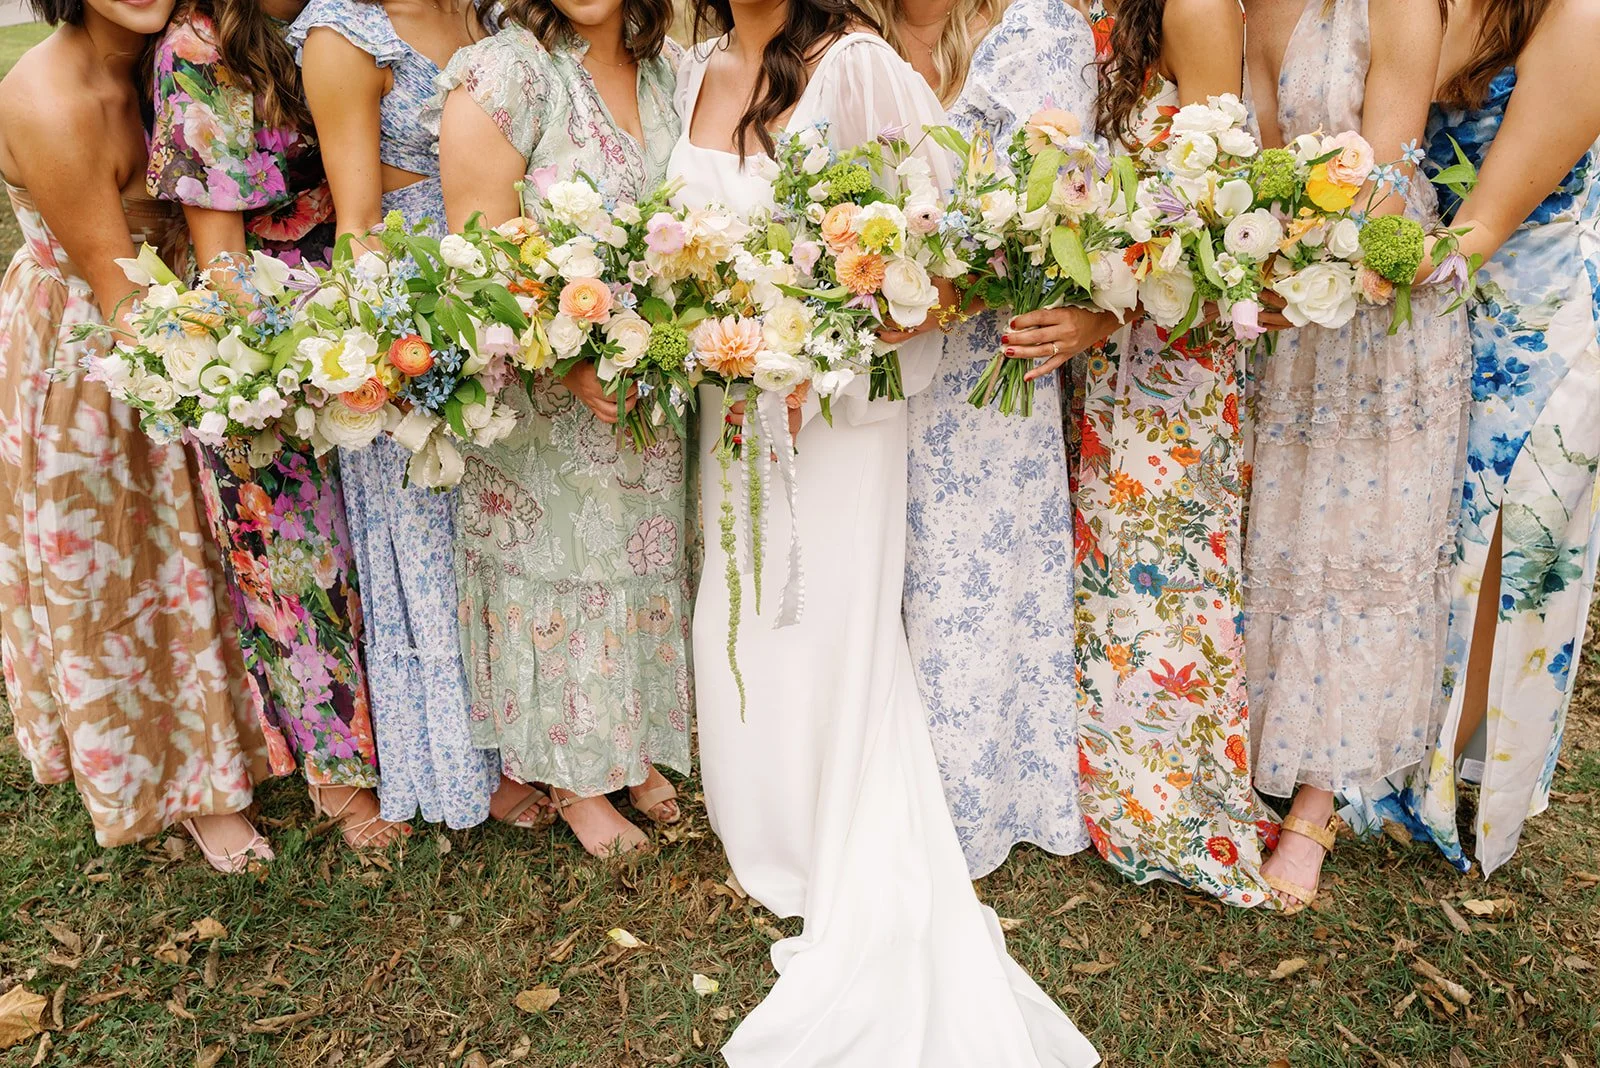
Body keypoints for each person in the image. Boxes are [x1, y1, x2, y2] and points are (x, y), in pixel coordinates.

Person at [672, 1, 1100, 1062]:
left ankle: (830, 825)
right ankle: (760, 813)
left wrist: (827, 347)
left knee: (819, 607)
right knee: (741, 595)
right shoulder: (692, 68)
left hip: (828, 411)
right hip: (727, 397)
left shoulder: (854, 64)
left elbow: (952, 250)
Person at [0, 0, 271, 871]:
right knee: (122, 561)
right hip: (91, 347)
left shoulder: (178, 59)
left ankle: (237, 733)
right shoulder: (47, 98)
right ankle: (175, 782)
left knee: (200, 544)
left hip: (182, 311)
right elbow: (119, 294)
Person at [148, 0, 409, 849]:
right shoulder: (200, 48)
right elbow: (219, 255)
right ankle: (339, 774)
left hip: (369, 296)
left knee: (383, 537)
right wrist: (293, 355)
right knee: (298, 555)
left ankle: (409, 737)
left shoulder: (347, 19)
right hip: (265, 332)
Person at [434, 0, 692, 857]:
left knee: (637, 553)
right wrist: (569, 355)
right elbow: (478, 253)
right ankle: (576, 775)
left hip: (645, 393)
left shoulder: (662, 67)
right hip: (543, 399)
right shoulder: (505, 74)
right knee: (566, 570)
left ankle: (636, 745)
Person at [290, 0, 554, 832]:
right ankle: (461, 758)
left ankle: (534, 731)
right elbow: (360, 225)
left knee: (510, 527)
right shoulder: (344, 35)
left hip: (508, 280)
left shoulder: (494, 13)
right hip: (418, 306)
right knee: (433, 538)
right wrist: (402, 345)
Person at [1353, 0, 1600, 879]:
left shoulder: (1580, 20)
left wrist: (1363, 263)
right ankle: (1373, 740)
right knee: (1417, 537)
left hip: (1537, 333)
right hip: (1440, 311)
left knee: (1493, 548)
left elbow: (1486, 224)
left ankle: (1432, 781)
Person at [1242, 0, 1471, 913]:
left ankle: (1317, 794)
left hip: (1375, 304)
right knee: (1279, 525)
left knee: (1346, 535)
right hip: (1274, 304)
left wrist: (1303, 263)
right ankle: (1257, 737)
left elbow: (1387, 168)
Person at [867, 0, 1096, 878]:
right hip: (873, 364)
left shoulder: (1039, 31)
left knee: (972, 574)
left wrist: (939, 299)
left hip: (986, 366)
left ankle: (968, 792)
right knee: (881, 561)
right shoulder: (846, 32)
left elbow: (1066, 209)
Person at [1071, 0, 1281, 909]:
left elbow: (1214, 218)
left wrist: (1107, 311)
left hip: (1176, 349)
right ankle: (1113, 781)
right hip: (1116, 343)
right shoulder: (1115, 17)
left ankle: (1175, 802)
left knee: (1167, 573)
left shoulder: (1194, 9)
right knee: (1119, 567)